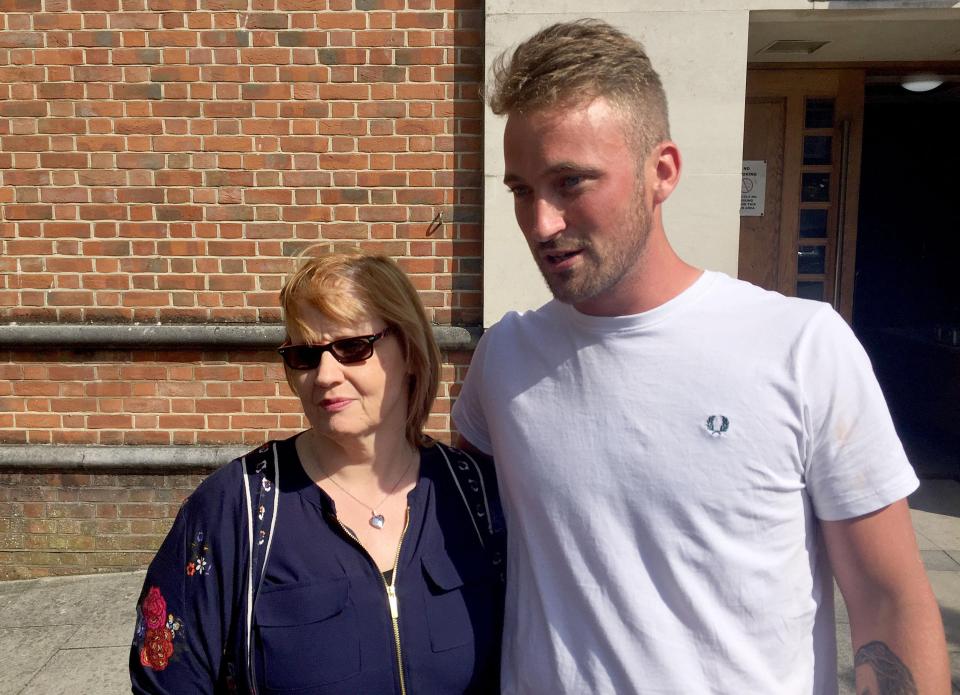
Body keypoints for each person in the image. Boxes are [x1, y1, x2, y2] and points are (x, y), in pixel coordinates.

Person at [452, 18, 949, 695]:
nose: (541, 222)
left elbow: (888, 601)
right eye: (520, 190)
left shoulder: (802, 347)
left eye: (571, 182)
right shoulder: (504, 359)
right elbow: (461, 538)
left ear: (662, 173)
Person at [131, 251, 504, 694]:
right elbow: (168, 683)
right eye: (305, 355)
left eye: (352, 347)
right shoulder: (237, 508)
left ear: (409, 351)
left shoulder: (476, 493)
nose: (326, 375)